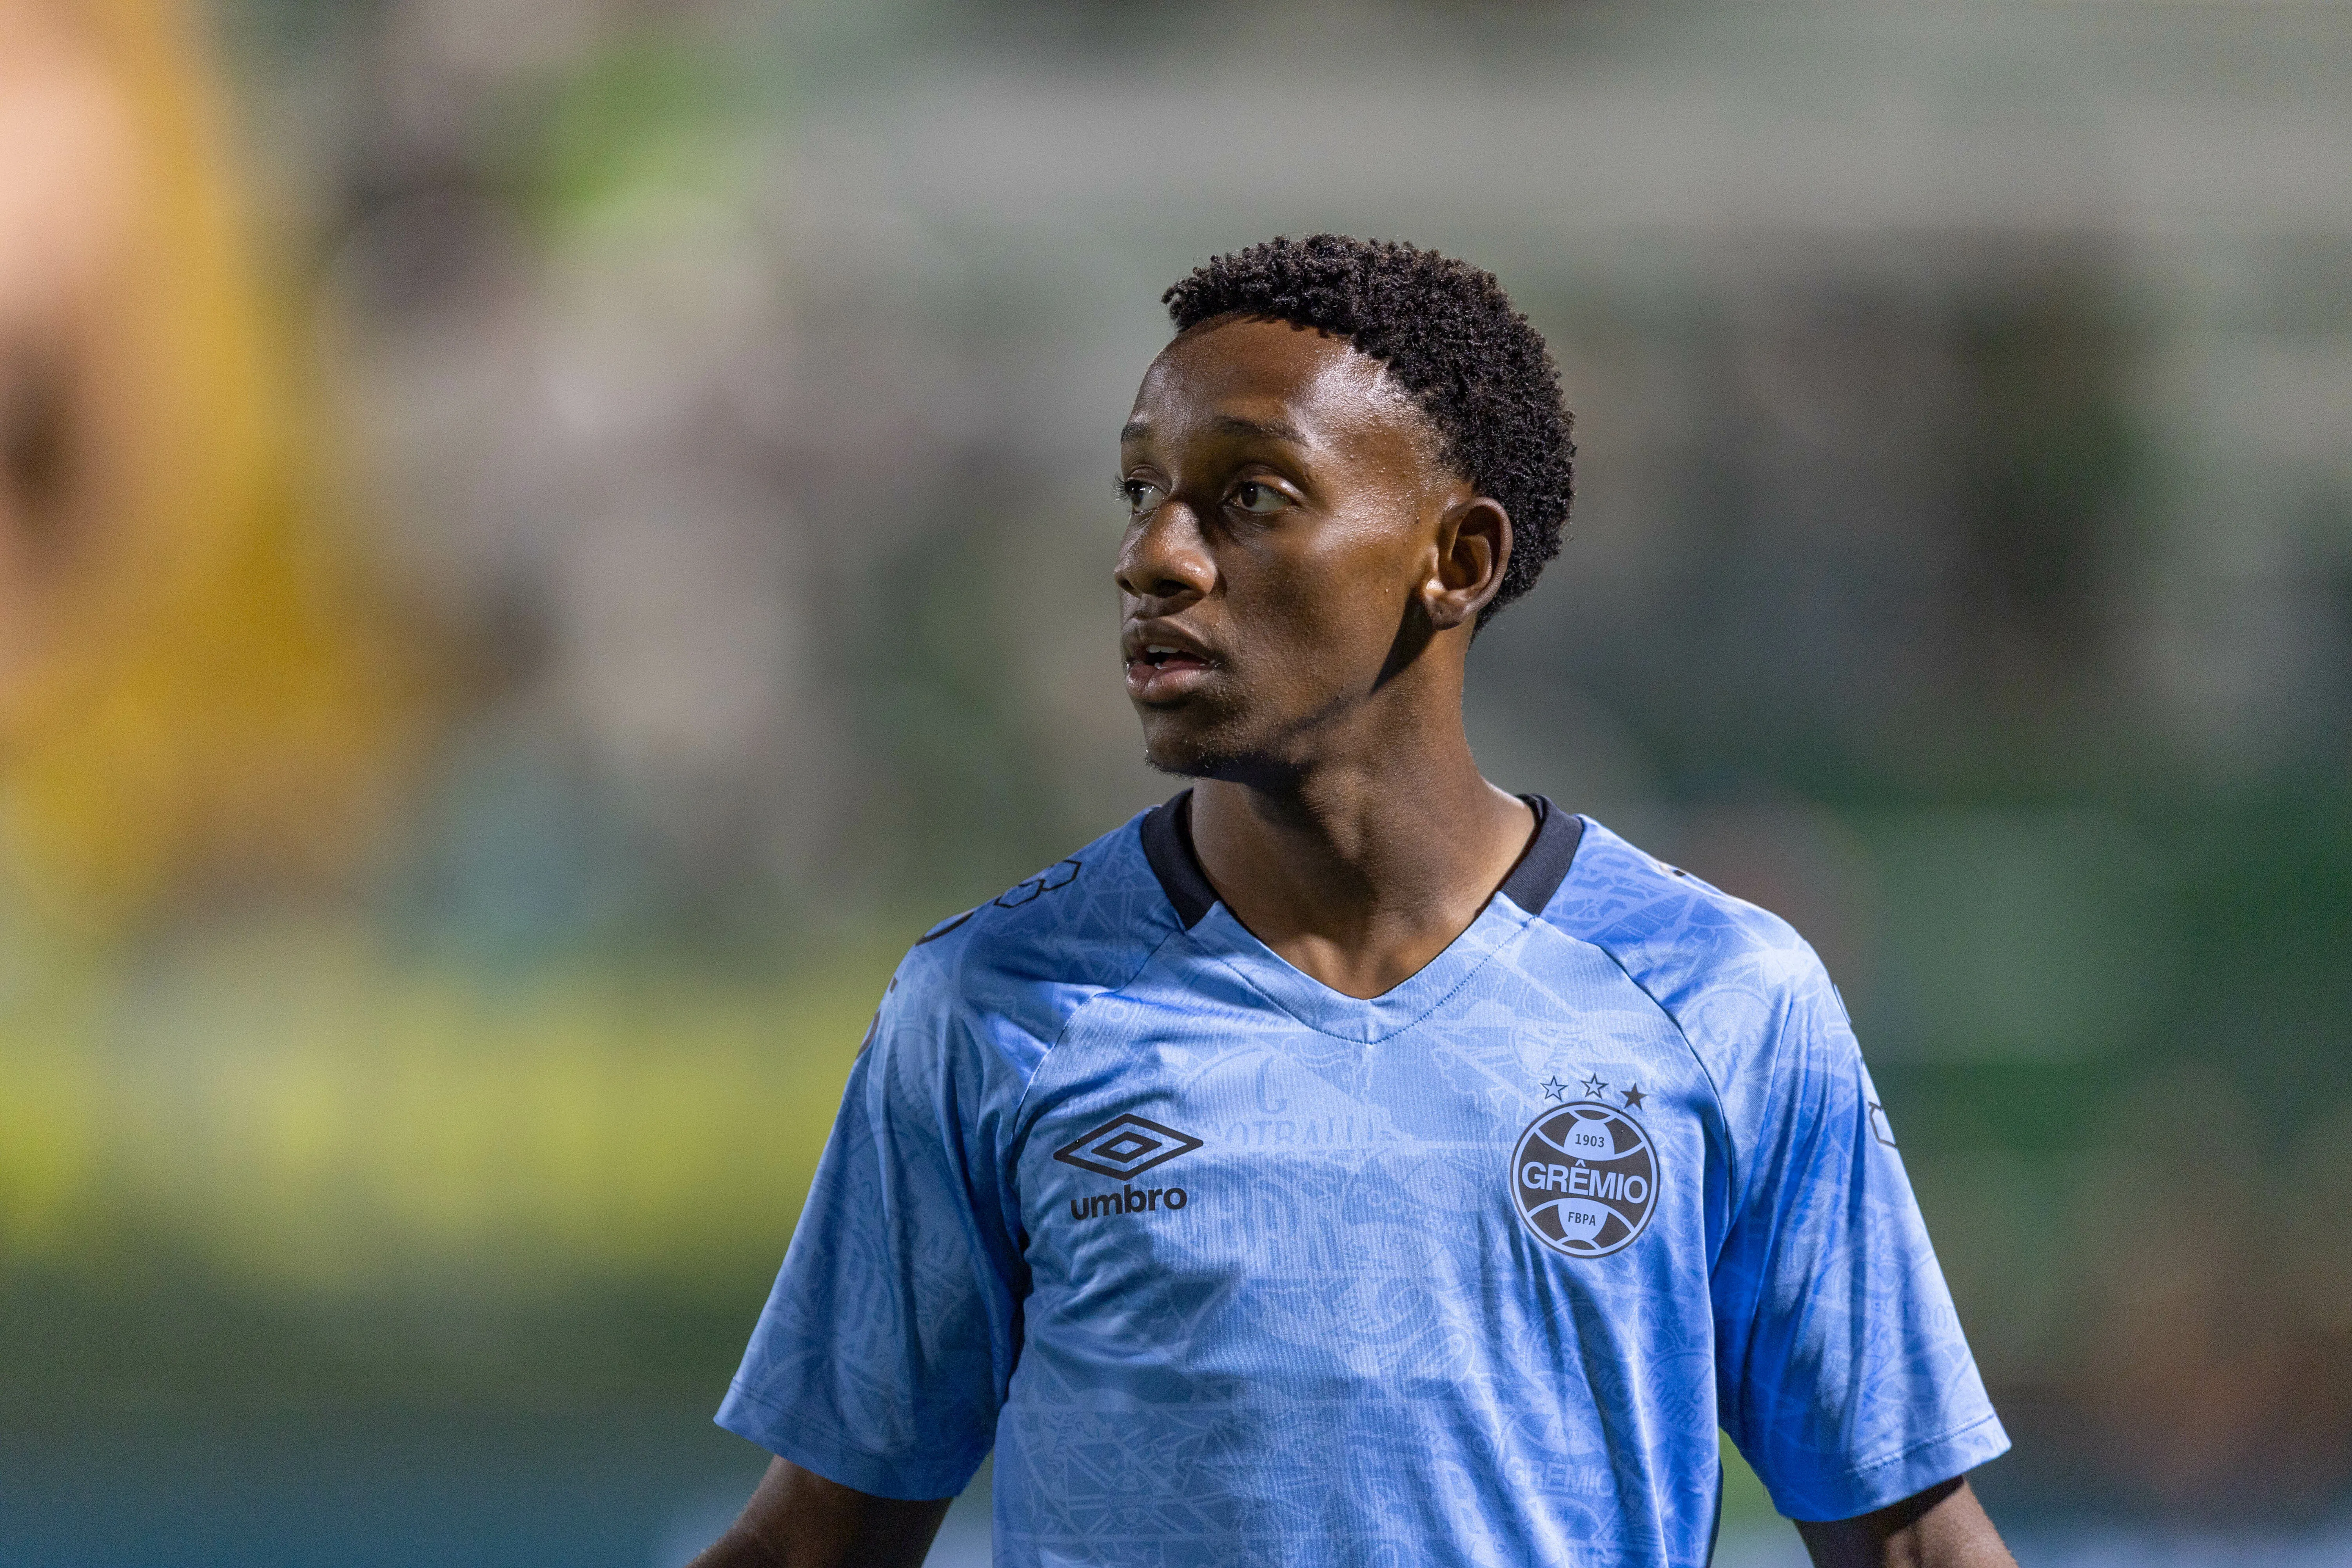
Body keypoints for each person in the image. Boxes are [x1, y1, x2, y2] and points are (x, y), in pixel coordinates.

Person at [692, 235, 2014, 1568]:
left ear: (1459, 558)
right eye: (1141, 491)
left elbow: (1909, 1545)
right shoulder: (996, 1005)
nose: (1154, 556)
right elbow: (819, 1544)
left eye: (1250, 497)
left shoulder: (1718, 994)